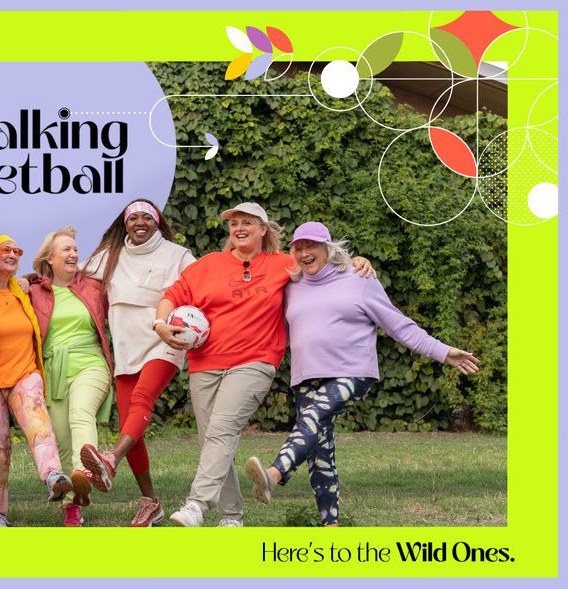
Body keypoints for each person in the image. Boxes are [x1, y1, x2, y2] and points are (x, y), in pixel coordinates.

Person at [243, 222, 479, 526]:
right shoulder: (291, 285)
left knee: (312, 421)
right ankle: (332, 526)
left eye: (311, 246)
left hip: (351, 372)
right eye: (298, 248)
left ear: (328, 249)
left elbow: (398, 325)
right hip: (306, 377)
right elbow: (273, 328)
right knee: (319, 452)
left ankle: (274, 475)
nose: (304, 253)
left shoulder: (359, 277)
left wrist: (443, 352)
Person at [154, 203, 375, 528]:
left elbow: (321, 268)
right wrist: (160, 323)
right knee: (212, 440)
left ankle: (196, 506)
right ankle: (232, 518)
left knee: (222, 430)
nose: (239, 228)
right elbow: (174, 294)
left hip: (253, 362)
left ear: (263, 230)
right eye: (234, 223)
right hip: (204, 364)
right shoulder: (208, 264)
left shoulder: (283, 265)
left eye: (247, 223)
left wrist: (354, 262)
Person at [78, 199, 196, 527]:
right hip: (127, 350)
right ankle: (150, 502)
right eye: (134, 218)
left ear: (158, 222)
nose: (140, 222)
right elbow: (68, 272)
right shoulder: (110, 256)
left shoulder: (179, 255)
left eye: (147, 217)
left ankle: (110, 459)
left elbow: (202, 287)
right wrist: (31, 279)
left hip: (165, 342)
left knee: (143, 400)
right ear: (125, 224)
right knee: (133, 427)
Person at [0, 234, 73, 527]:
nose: (13, 254)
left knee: (37, 419)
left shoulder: (22, 290)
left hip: (24, 373)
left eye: (16, 251)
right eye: (5, 249)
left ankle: (53, 476)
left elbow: (53, 277)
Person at [29, 226, 114, 527]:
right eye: (66, 249)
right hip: (53, 370)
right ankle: (73, 505)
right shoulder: (33, 290)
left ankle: (86, 477)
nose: (74, 253)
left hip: (90, 363)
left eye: (75, 249)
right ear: (48, 259)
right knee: (62, 440)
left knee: (81, 413)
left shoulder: (93, 286)